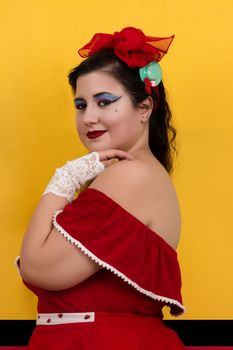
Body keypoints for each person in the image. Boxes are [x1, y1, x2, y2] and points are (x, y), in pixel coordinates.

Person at [17, 26, 186, 349]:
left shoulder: (130, 176)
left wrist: (64, 179)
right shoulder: (136, 174)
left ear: (145, 108)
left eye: (105, 102)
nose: (89, 117)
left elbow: (37, 267)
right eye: (80, 105)